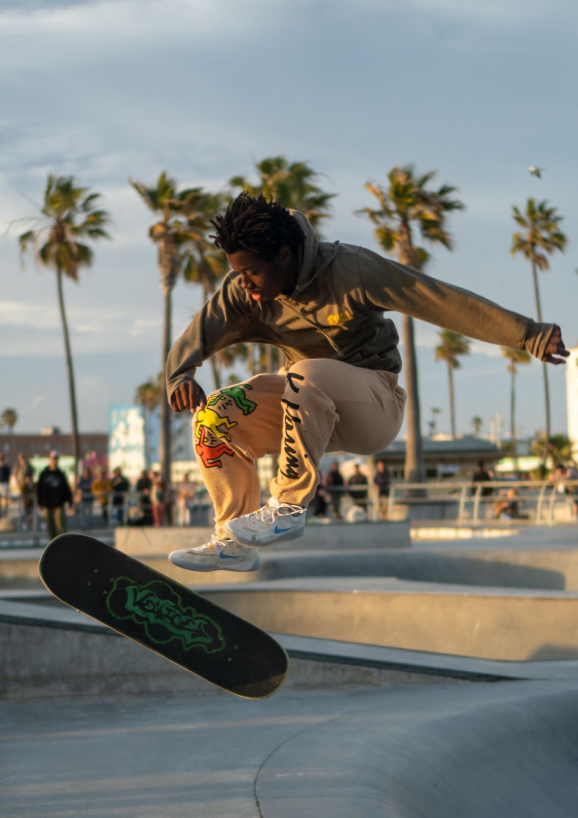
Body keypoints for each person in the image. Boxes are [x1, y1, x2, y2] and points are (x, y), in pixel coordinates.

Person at [163, 192, 568, 572]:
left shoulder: (349, 269)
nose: (244, 283)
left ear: (283, 255)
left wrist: (526, 333)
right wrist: (180, 374)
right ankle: (232, 543)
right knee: (215, 414)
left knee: (305, 372)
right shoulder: (241, 294)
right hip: (305, 411)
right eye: (237, 272)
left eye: (252, 272)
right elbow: (198, 336)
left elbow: (435, 297)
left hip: (374, 407)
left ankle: (287, 508)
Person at [36, 451, 73, 539]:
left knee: (60, 526)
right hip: (47, 504)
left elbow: (66, 489)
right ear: (50, 460)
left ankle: (62, 544)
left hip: (58, 504)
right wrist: (39, 503)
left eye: (56, 459)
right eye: (53, 459)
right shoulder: (44, 474)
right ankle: (52, 546)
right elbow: (39, 489)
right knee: (50, 527)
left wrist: (70, 502)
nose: (54, 461)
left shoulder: (60, 474)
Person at [0, 453, 10, 517]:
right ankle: (0, 511)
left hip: (4, 483)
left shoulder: (6, 467)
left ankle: (5, 511)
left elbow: (8, 476)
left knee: (5, 498)